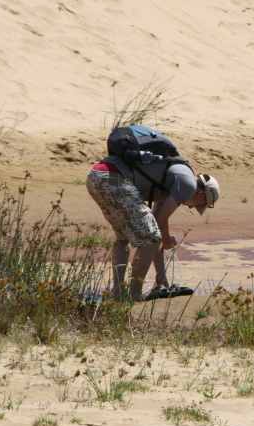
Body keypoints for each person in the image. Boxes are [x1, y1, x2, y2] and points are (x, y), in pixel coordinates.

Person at [86, 126, 220, 301]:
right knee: (151, 238)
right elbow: (159, 225)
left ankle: (118, 293)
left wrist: (161, 278)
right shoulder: (188, 185)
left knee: (123, 238)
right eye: (201, 204)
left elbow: (156, 223)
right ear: (202, 193)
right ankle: (134, 295)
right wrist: (166, 239)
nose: (193, 207)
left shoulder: (174, 179)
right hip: (114, 179)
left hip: (97, 176)